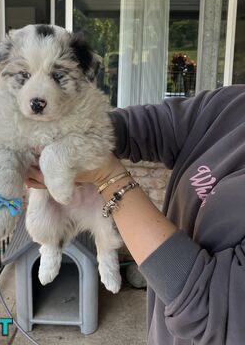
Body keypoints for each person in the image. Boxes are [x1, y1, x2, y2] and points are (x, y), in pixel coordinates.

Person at [25, 85, 245, 345]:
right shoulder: (234, 105)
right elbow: (152, 125)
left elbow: (210, 308)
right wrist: (69, 131)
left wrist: (107, 176)